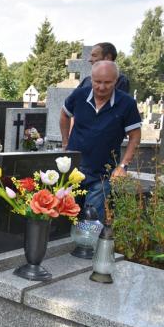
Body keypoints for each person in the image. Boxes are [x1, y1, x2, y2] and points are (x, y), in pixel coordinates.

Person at [60, 60, 141, 220]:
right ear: (91, 79)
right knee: (67, 216)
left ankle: (87, 245)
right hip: (74, 168)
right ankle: (69, 244)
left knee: (92, 218)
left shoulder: (127, 103)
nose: (102, 87)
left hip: (103, 173)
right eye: (97, 82)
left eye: (107, 83)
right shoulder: (79, 95)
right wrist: (65, 142)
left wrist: (123, 166)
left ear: (116, 81)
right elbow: (64, 114)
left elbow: (135, 136)